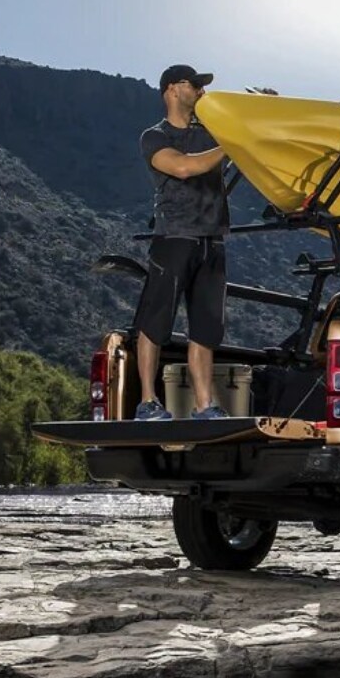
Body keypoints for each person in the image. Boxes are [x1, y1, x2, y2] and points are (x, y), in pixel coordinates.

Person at [132, 64, 231, 420]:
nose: (202, 92)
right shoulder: (154, 137)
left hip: (212, 240)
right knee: (155, 321)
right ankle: (147, 402)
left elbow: (245, 146)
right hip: (174, 238)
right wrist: (231, 145)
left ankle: (205, 406)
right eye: (196, 85)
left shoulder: (211, 133)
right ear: (173, 89)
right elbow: (183, 167)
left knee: (205, 328)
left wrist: (259, 113)